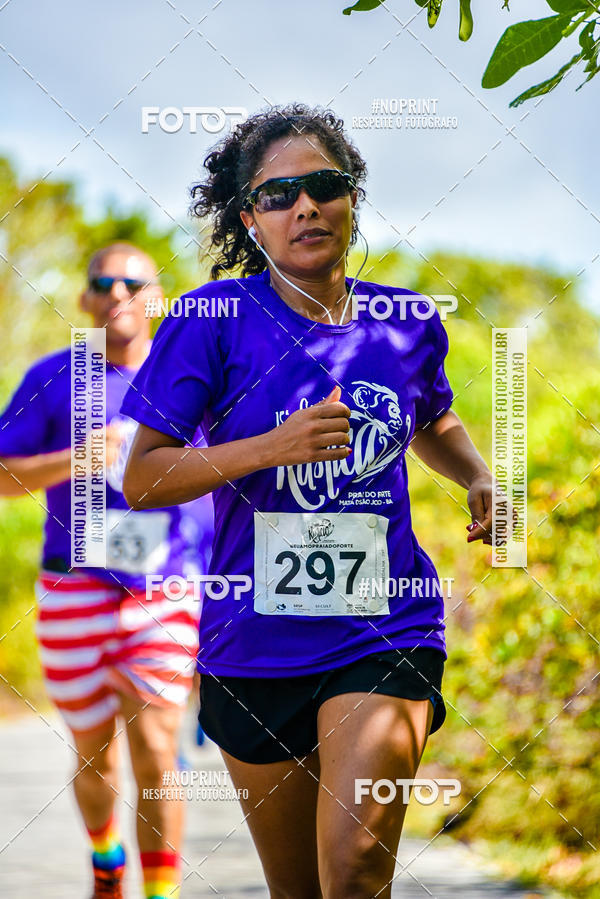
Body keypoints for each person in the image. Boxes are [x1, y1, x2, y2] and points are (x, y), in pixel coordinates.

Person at [120, 104, 495, 899]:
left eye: (323, 185)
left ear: (352, 197)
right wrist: (270, 447)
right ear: (248, 218)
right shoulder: (211, 319)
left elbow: (429, 415)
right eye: (277, 193)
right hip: (251, 642)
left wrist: (476, 475)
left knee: (355, 869)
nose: (305, 206)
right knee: (298, 889)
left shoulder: (406, 322)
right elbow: (143, 477)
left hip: (383, 623)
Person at [0, 242, 213, 899]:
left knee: (156, 742)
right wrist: (75, 459)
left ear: (156, 298)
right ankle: (106, 856)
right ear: (86, 299)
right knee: (94, 752)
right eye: (103, 282)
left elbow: (225, 476)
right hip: (73, 588)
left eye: (132, 281)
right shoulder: (52, 375)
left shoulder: (191, 379)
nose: (117, 292)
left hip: (164, 586)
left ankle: (159, 890)